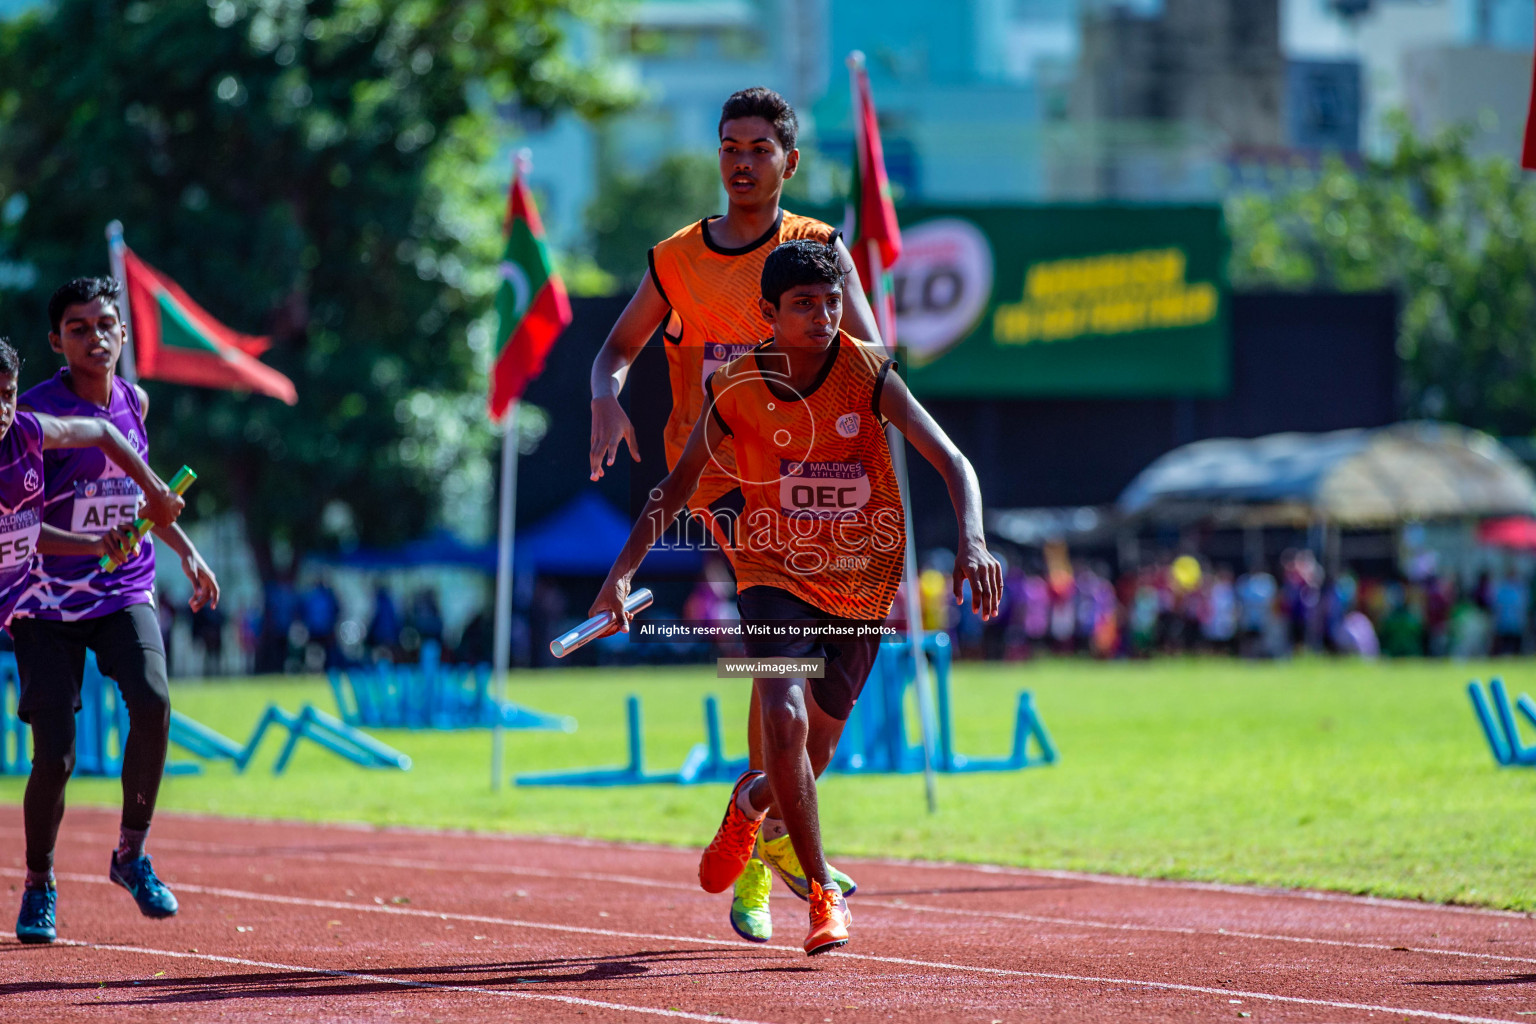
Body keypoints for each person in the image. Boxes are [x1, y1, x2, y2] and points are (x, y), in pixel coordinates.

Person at [587, 240, 1001, 955]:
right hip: (770, 570)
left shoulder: (870, 372)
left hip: (863, 579)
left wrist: (974, 539)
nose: (824, 315)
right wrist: (621, 572)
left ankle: (748, 806)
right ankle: (821, 896)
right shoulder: (737, 385)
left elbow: (954, 461)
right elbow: (676, 488)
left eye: (832, 300)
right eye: (805, 304)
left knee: (814, 749)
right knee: (779, 715)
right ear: (769, 314)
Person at [587, 87, 883, 940]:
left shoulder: (820, 250)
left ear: (790, 161)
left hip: (815, 485)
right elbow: (615, 349)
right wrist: (606, 397)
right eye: (728, 146)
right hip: (720, 480)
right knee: (774, 673)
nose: (742, 160)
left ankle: (766, 823)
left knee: (811, 713)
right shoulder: (678, 258)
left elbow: (868, 357)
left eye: (759, 147)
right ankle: (769, 851)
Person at [0, 313, 188, 946]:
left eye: (6, 390)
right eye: (78, 328)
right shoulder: (31, 415)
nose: (3, 406)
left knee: (154, 699)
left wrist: (166, 515)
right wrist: (93, 543)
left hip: (115, 590)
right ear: (56, 339)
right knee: (53, 755)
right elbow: (30, 537)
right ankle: (40, 880)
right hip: (37, 603)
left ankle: (131, 853)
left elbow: (108, 436)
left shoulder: (31, 429)